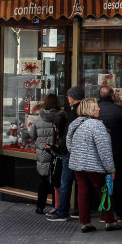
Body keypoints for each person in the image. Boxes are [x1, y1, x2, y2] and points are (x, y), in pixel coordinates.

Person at [66, 97, 120, 233]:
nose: (99, 108)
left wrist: (79, 155)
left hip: (77, 165)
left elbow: (69, 145)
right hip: (95, 167)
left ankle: (85, 222)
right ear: (90, 109)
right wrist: (111, 169)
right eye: (96, 106)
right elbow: (104, 150)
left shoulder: (75, 124)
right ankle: (110, 221)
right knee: (105, 192)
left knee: (82, 193)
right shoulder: (96, 125)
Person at [46, 86, 83, 221]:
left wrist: (63, 147)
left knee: (66, 182)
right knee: (80, 182)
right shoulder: (83, 111)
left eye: (68, 97)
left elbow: (69, 135)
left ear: (72, 98)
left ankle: (62, 211)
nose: (67, 99)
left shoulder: (73, 114)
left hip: (70, 152)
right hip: (79, 152)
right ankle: (79, 210)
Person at [98, 86, 122, 221]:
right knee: (118, 182)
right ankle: (121, 213)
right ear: (112, 96)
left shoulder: (96, 110)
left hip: (100, 151)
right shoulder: (119, 110)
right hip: (116, 150)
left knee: (102, 182)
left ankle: (104, 213)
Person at [34, 93, 65, 215]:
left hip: (43, 153)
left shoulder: (38, 118)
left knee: (42, 180)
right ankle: (55, 206)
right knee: (56, 182)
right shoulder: (62, 117)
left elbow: (32, 134)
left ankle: (40, 207)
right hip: (56, 153)